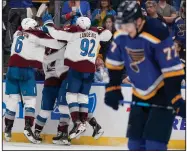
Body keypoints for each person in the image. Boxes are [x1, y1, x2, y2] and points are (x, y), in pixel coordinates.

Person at [105, 1, 185, 150]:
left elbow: (172, 68)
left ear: (139, 21)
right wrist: (113, 87)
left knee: (154, 146)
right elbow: (115, 63)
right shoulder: (122, 32)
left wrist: (175, 97)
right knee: (134, 145)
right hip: (139, 94)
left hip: (163, 94)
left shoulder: (157, 31)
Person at [41, 15, 112, 139]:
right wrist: (98, 29)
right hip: (90, 69)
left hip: (75, 69)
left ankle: (77, 124)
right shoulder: (95, 32)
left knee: (70, 97)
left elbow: (56, 35)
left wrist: (48, 24)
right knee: (82, 98)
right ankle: (90, 125)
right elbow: (108, 35)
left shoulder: (72, 33)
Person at [4, 18, 64, 143]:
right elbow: (57, 44)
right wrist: (48, 31)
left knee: (13, 99)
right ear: (32, 27)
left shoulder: (17, 33)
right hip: (25, 68)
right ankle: (27, 128)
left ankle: (8, 130)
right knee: (30, 100)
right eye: (35, 26)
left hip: (11, 69)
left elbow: (25, 31)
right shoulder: (37, 34)